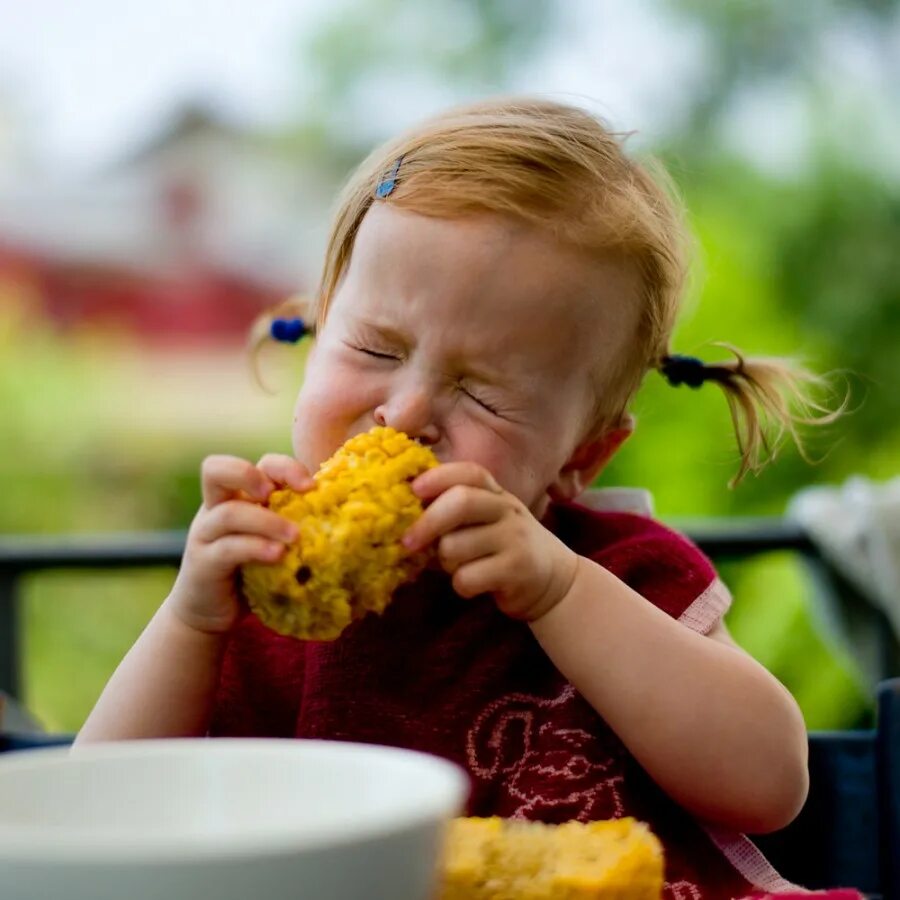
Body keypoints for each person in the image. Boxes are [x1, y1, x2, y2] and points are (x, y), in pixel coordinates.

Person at [77, 97, 838, 897]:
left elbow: (770, 784)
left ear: (582, 453)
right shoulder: (249, 596)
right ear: (316, 330)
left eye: (484, 394)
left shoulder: (613, 575)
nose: (405, 414)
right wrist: (190, 621)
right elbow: (96, 815)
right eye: (375, 347)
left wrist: (560, 591)